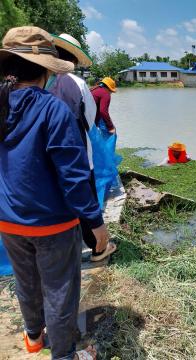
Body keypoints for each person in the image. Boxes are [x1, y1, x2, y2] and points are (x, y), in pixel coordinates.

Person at [0, 26, 106, 359]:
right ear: (46, 70)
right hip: (52, 224)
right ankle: (64, 354)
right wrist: (96, 224)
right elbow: (74, 179)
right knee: (60, 292)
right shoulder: (52, 109)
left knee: (26, 282)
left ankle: (33, 338)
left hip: (8, 221)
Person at [48, 33, 116, 262]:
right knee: (85, 198)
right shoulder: (77, 83)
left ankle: (63, 247)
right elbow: (90, 119)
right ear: (74, 60)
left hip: (44, 158)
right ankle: (98, 247)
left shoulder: (41, 80)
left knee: (57, 198)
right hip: (76, 153)